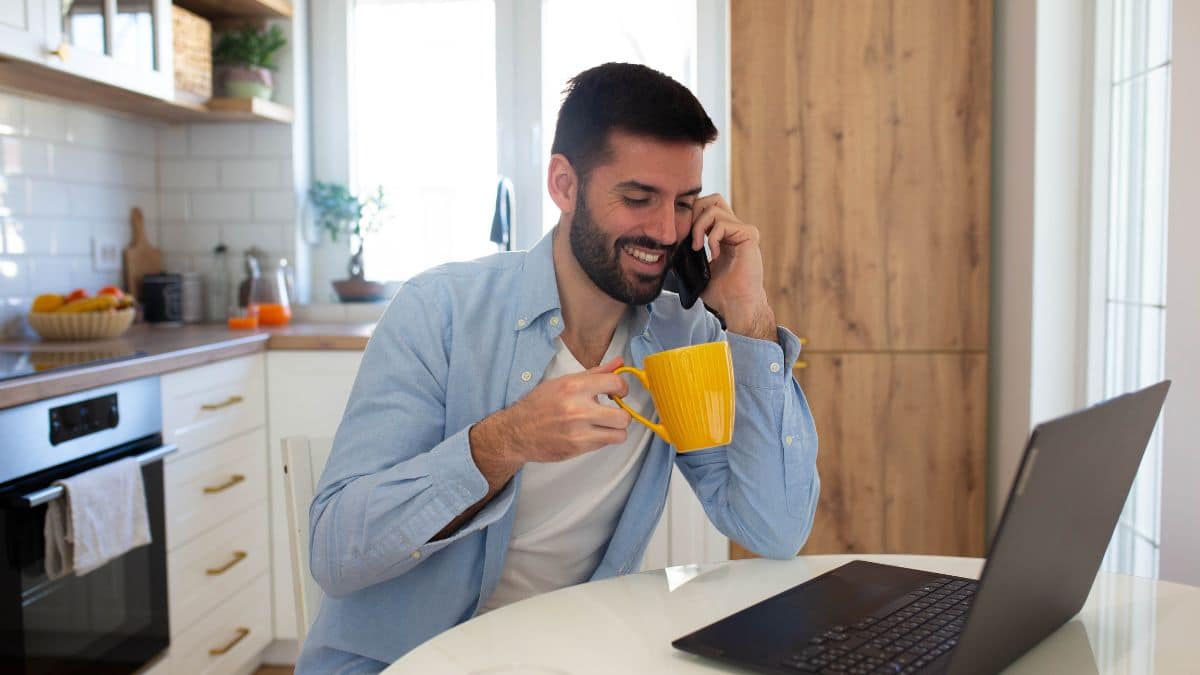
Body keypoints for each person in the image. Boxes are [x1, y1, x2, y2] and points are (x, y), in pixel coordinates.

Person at [297, 62, 819, 673]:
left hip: (570, 657)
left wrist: (750, 317)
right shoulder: (441, 310)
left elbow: (774, 529)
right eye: (637, 197)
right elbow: (336, 553)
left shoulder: (681, 337)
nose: (665, 230)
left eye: (683, 203)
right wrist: (505, 441)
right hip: (400, 662)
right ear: (564, 184)